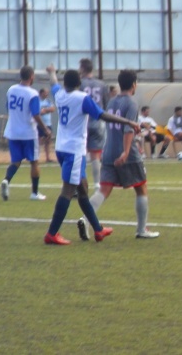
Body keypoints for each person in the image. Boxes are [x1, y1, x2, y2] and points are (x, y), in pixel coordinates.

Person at [43, 64, 140, 245]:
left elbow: (53, 83)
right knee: (68, 190)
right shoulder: (82, 98)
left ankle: (98, 229)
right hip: (73, 150)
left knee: (82, 189)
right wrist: (128, 121)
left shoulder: (59, 94)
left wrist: (52, 72)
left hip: (62, 148)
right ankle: (52, 233)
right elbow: (103, 115)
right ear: (79, 83)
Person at [77, 70, 160, 241]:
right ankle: (141, 229)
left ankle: (85, 219)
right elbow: (128, 130)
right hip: (126, 153)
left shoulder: (112, 101)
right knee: (141, 188)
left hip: (108, 151)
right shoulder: (132, 103)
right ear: (134, 84)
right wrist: (126, 152)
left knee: (104, 189)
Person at [0, 65, 51, 202]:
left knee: (16, 161)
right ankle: (34, 193)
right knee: (34, 162)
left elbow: (8, 107)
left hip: (12, 131)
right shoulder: (32, 93)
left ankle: (6, 180)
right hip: (28, 133)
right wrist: (45, 129)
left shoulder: (11, 90)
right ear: (31, 76)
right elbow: (35, 114)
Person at [79, 58, 110, 190]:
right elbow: (106, 104)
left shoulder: (80, 84)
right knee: (96, 155)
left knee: (80, 153)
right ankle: (97, 184)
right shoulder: (102, 84)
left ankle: (79, 183)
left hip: (83, 122)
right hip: (98, 122)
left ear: (82, 68)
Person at [38, 88, 56, 163]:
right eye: (45, 93)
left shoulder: (48, 101)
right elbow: (37, 112)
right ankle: (35, 157)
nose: (47, 94)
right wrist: (42, 112)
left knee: (48, 140)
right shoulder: (37, 101)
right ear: (41, 93)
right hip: (39, 124)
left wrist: (45, 110)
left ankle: (48, 158)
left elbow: (53, 109)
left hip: (48, 123)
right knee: (38, 140)